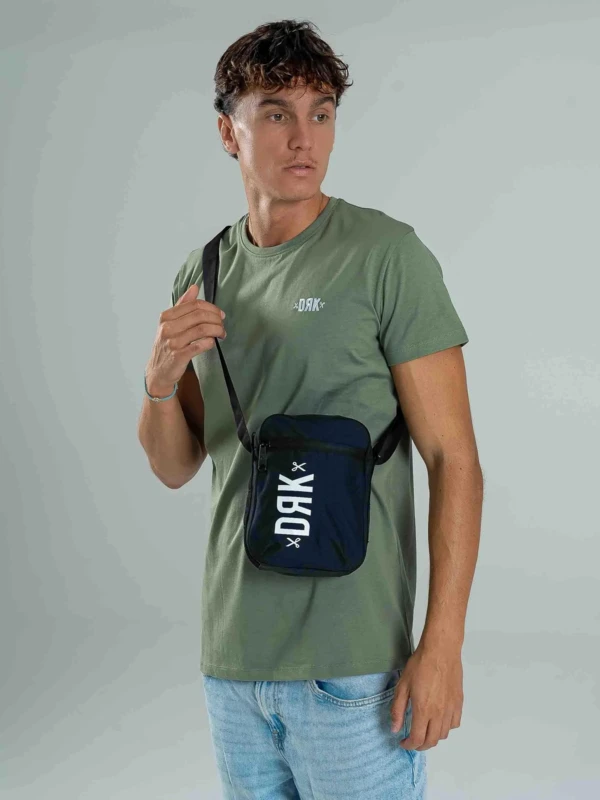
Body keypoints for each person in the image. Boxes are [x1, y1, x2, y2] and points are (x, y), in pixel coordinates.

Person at [138, 18, 483, 800]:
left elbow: (453, 460)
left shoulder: (386, 257)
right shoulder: (204, 270)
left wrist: (442, 647)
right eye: (276, 113)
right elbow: (175, 465)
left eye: (320, 113)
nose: (304, 137)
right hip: (233, 664)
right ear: (227, 132)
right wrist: (158, 379)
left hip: (351, 666)